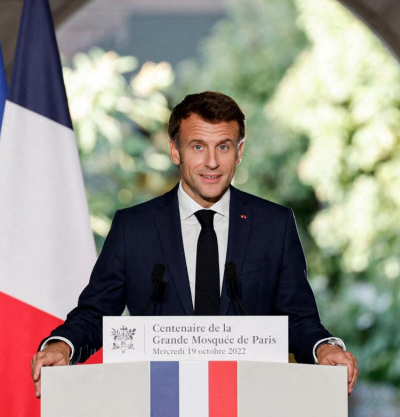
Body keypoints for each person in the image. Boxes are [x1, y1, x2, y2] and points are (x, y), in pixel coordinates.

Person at [31, 91, 358, 396]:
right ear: (176, 150)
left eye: (224, 147)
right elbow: (96, 312)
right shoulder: (134, 228)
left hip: (249, 400)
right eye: (198, 146)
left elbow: (298, 318)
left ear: (240, 152)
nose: (212, 162)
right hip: (158, 400)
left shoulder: (274, 225)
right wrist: (62, 345)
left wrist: (324, 347)